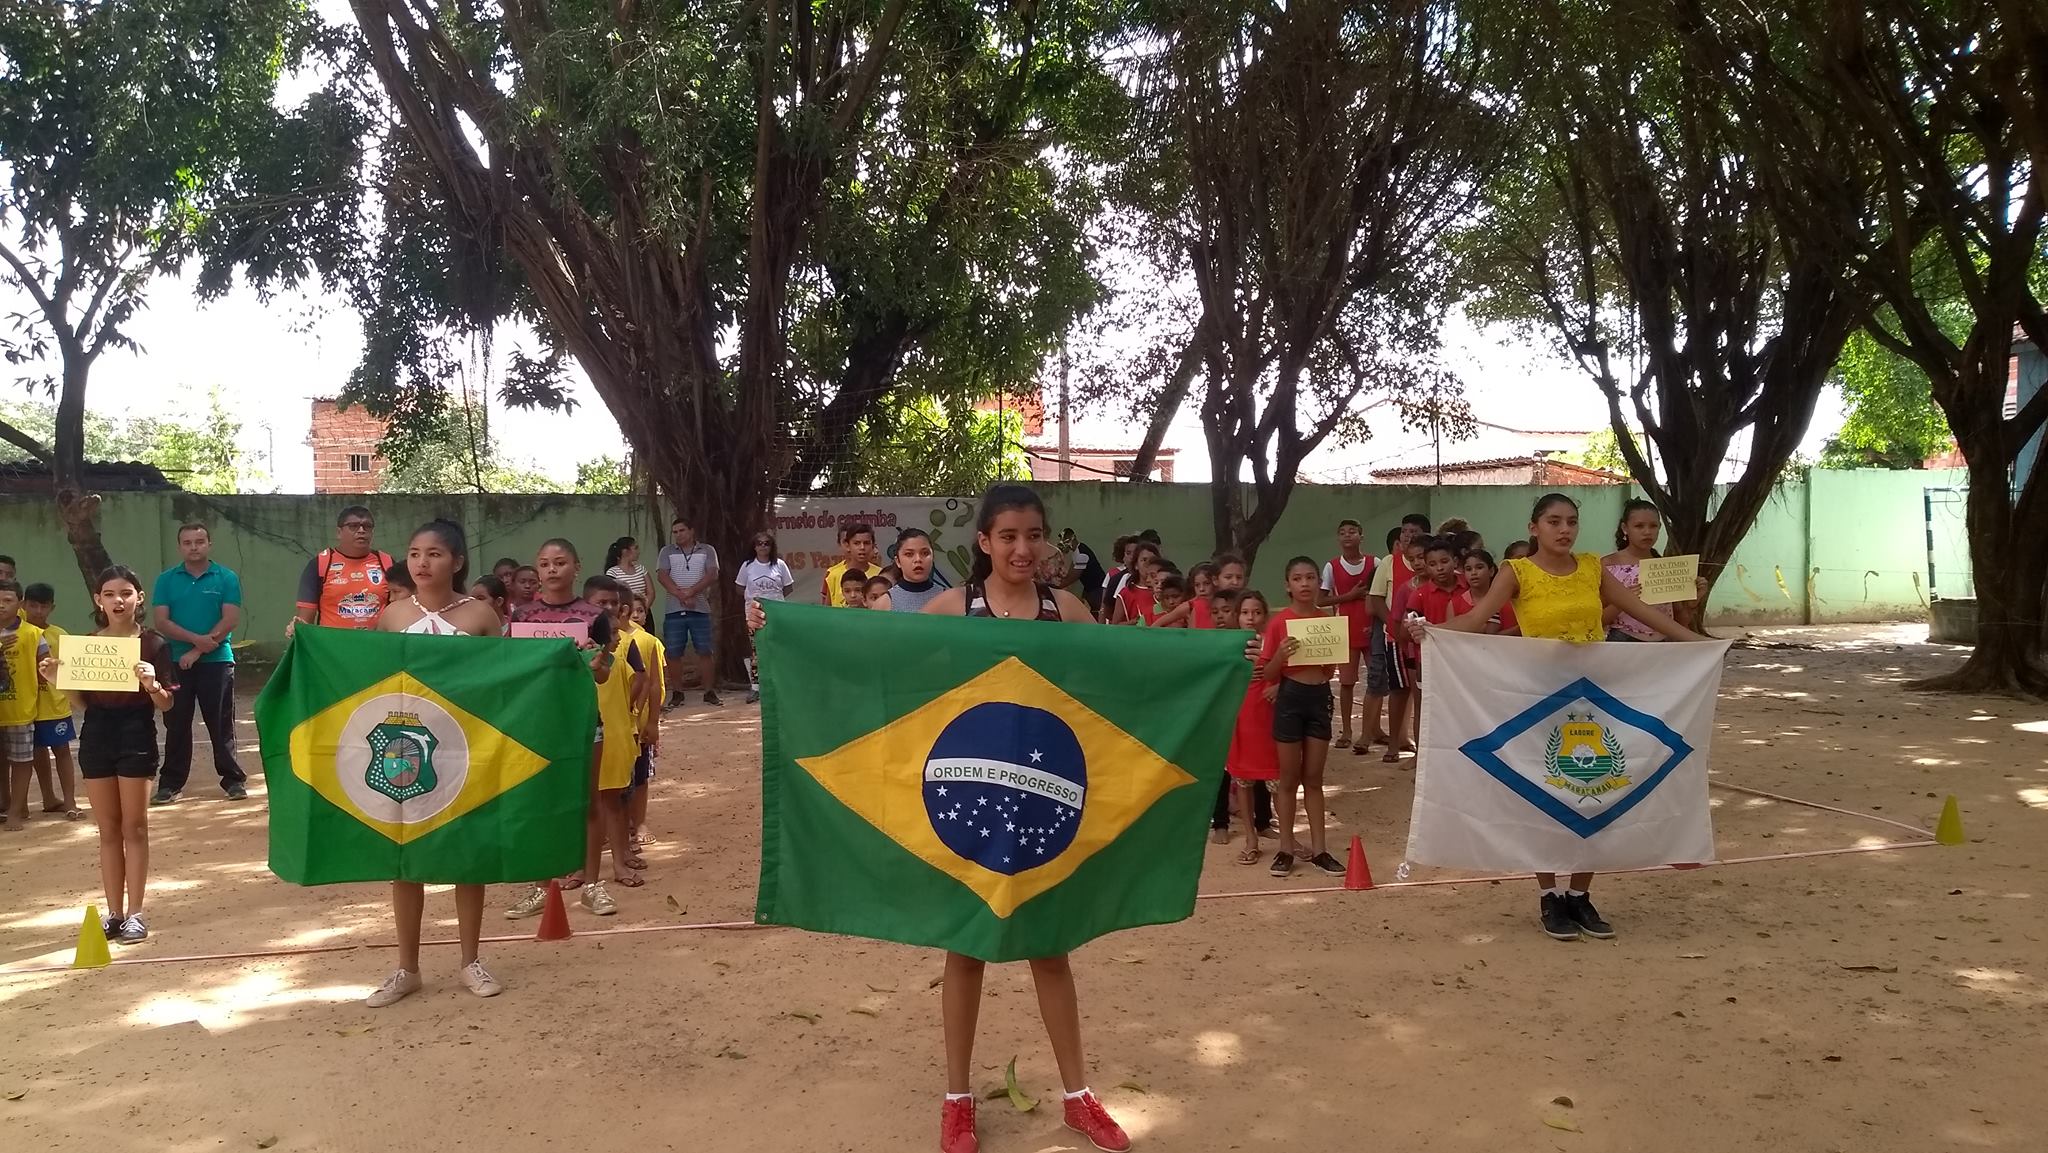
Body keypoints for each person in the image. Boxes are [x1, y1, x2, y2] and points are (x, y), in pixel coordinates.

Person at [747, 483, 1137, 1153]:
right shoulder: (955, 607)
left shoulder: (1066, 608)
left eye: (1032, 534)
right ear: (983, 542)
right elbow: (879, 658)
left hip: (1043, 796)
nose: (1022, 546)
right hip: (970, 795)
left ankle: (1079, 1095)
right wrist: (782, 628)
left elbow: (1126, 673)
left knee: (1051, 947)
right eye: (1007, 535)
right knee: (966, 946)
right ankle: (957, 1099)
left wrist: (1223, 658)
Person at [1414, 492, 1707, 942]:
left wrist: (1699, 644)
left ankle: (1581, 897)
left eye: (1571, 521)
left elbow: (1640, 611)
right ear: (1534, 527)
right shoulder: (1517, 572)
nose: (1564, 529)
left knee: (1598, 792)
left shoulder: (1593, 568)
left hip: (1594, 696)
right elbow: (1477, 619)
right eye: (1553, 521)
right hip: (1539, 698)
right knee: (1546, 794)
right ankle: (1550, 895)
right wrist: (1429, 632)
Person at [364, 520, 507, 1006]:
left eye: (435, 554)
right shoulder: (392, 616)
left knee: (468, 853)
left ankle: (470, 960)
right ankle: (407, 968)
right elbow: (369, 680)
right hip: (403, 749)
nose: (422, 563)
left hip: (464, 747)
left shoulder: (482, 616)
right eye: (415, 553)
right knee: (405, 857)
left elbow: (507, 682)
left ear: (458, 562)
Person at [37, 566, 174, 942]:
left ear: (139, 598)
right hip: (96, 736)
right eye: (110, 593)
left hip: (137, 736)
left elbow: (167, 704)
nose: (118, 600)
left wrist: (152, 684)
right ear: (98, 599)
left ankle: (136, 913)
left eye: (126, 592)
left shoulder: (154, 644)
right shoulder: (86, 645)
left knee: (136, 827)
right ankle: (113, 914)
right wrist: (57, 682)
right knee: (109, 830)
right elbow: (81, 702)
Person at [503, 539, 639, 919]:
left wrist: (597, 667)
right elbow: (511, 668)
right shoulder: (521, 617)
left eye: (560, 562)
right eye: (544, 563)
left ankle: (593, 886)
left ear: (576, 567)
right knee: (538, 803)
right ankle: (539, 887)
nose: (551, 570)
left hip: (582, 720)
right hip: (536, 723)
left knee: (589, 802)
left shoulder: (593, 615)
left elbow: (604, 673)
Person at [1259, 558, 1346, 878]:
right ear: (1288, 585)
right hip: (1290, 698)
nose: (1305, 583)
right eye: (1297, 578)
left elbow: (1330, 669)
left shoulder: (1327, 621)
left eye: (1310, 577)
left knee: (1313, 777)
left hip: (1319, 697)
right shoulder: (1279, 622)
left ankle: (1321, 850)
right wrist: (1281, 656)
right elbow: (1266, 672)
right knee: (1287, 778)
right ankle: (1285, 848)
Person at [149, 523, 247, 804]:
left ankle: (233, 780)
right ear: (180, 546)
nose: (194, 547)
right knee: (176, 723)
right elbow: (161, 622)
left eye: (200, 541)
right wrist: (194, 644)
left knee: (220, 723)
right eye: (188, 542)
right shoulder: (166, 580)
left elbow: (230, 619)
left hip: (217, 661)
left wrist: (198, 650)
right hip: (175, 662)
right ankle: (170, 784)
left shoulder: (226, 577)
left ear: (209, 544)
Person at [583, 575, 642, 893]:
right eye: (599, 602)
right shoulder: (573, 644)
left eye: (611, 603)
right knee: (584, 805)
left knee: (614, 803)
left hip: (615, 734)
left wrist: (634, 721)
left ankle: (620, 861)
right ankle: (581, 867)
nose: (606, 608)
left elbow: (640, 681)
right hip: (585, 734)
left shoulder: (626, 646)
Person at [1223, 591, 1278, 864]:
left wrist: (1274, 680)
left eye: (1257, 612)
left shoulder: (1273, 643)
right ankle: (1250, 837)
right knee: (1243, 780)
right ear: (1237, 616)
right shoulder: (1227, 646)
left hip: (1269, 717)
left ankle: (1287, 840)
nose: (1251, 618)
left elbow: (1286, 672)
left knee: (1277, 780)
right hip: (1241, 719)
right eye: (1245, 612)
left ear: (1264, 615)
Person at [1602, 498, 1702, 641]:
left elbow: (1680, 622)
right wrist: (1624, 601)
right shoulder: (1607, 565)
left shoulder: (1666, 568)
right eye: (1639, 526)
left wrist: (1692, 603)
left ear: (1660, 527)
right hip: (1623, 642)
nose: (1647, 532)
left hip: (1662, 645)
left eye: (1653, 526)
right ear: (1625, 528)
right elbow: (1597, 620)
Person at [22, 583, 82, 820]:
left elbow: (72, 669)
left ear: (52, 607)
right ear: (24, 605)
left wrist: (71, 696)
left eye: (43, 606)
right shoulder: (18, 633)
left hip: (55, 704)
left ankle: (70, 801)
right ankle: (48, 798)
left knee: (62, 750)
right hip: (26, 706)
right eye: (33, 605)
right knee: (36, 752)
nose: (38, 611)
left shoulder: (60, 635)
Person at [1317, 519, 1377, 751]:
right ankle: (1348, 732)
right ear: (1338, 538)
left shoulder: (1376, 563)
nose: (1347, 536)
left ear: (1361, 536)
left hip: (1372, 628)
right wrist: (1349, 597)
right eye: (1342, 532)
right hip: (1345, 630)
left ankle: (1369, 731)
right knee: (1347, 682)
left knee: (1375, 681)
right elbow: (1320, 600)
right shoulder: (1332, 566)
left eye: (1352, 532)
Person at [290, 505, 394, 633]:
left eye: (367, 526)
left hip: (378, 647)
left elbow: (402, 610)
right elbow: (305, 621)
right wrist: (296, 629)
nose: (361, 530)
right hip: (332, 649)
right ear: (339, 532)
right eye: (353, 526)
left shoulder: (387, 562)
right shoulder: (320, 564)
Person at [0, 580, 53, 830]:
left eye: (8, 600)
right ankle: (7, 804)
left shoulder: (33, 635)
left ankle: (16, 811)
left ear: (19, 604)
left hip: (20, 711)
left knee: (21, 762)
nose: (1, 605)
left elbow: (46, 670)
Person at [656, 516, 721, 707]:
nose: (678, 535)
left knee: (705, 650)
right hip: (674, 609)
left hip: (700, 608)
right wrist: (681, 595)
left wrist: (692, 591)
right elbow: (662, 575)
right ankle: (677, 692)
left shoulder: (707, 550)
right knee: (674, 652)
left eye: (682, 530)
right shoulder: (666, 551)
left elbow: (712, 574)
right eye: (675, 532)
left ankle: (709, 691)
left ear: (692, 531)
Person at [619, 592, 665, 850]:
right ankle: (618, 828)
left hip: (639, 723)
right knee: (614, 780)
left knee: (640, 776)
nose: (635, 615)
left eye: (640, 610)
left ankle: (639, 823)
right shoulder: (604, 640)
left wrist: (653, 722)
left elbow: (654, 684)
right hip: (613, 723)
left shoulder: (648, 642)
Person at [1363, 527, 1411, 765]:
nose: (1408, 537)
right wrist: (1394, 629)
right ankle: (1376, 737)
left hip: (1424, 643)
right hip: (1392, 638)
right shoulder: (1389, 565)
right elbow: (1375, 603)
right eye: (1405, 533)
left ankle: (1406, 739)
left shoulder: (1435, 572)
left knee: (1417, 692)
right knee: (1392, 688)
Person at [735, 532, 794, 704]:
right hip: (754, 615)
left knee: (777, 649)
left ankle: (778, 686)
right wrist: (754, 600)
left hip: (776, 614)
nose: (763, 546)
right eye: (759, 543)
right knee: (757, 651)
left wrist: (773, 600)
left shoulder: (779, 565)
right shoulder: (748, 566)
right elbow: (740, 588)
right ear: (754, 547)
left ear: (771, 546)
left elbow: (788, 587)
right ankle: (755, 688)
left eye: (766, 543)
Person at [1457, 550, 1518, 636]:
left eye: (1479, 567)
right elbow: (1451, 637)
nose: (1474, 573)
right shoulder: (1455, 603)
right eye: (1468, 569)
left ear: (1491, 571)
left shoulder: (1506, 601)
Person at [887, 529, 946, 613]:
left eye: (925, 553)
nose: (918, 559)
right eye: (909, 554)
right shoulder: (886, 602)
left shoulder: (948, 598)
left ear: (933, 557)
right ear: (898, 561)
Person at [822, 524, 880, 607]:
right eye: (856, 543)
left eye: (866, 543)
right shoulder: (833, 575)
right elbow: (826, 610)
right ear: (848, 546)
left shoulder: (880, 574)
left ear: (873, 545)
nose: (862, 547)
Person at [604, 536, 653, 610]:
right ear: (625, 551)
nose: (638, 551)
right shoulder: (612, 572)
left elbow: (651, 592)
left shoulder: (641, 569)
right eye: (635, 548)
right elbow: (611, 595)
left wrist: (643, 609)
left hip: (643, 612)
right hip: (624, 613)